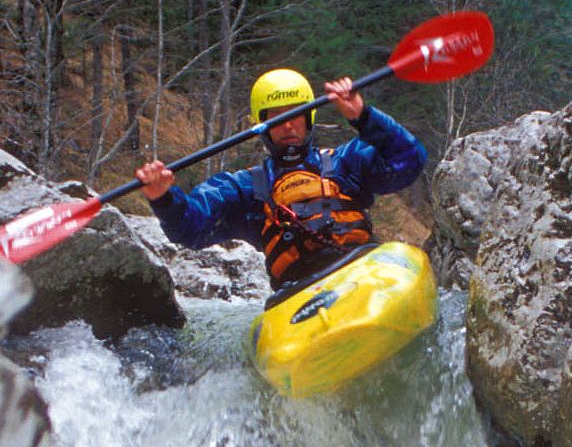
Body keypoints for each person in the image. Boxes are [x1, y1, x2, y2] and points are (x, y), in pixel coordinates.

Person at [136, 68, 428, 294]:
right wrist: (164, 198)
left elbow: (409, 160)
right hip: (299, 295)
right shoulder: (246, 188)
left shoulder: (346, 161)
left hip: (363, 274)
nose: (288, 125)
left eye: (296, 115)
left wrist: (364, 117)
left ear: (309, 117)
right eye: (276, 117)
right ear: (262, 126)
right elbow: (190, 229)